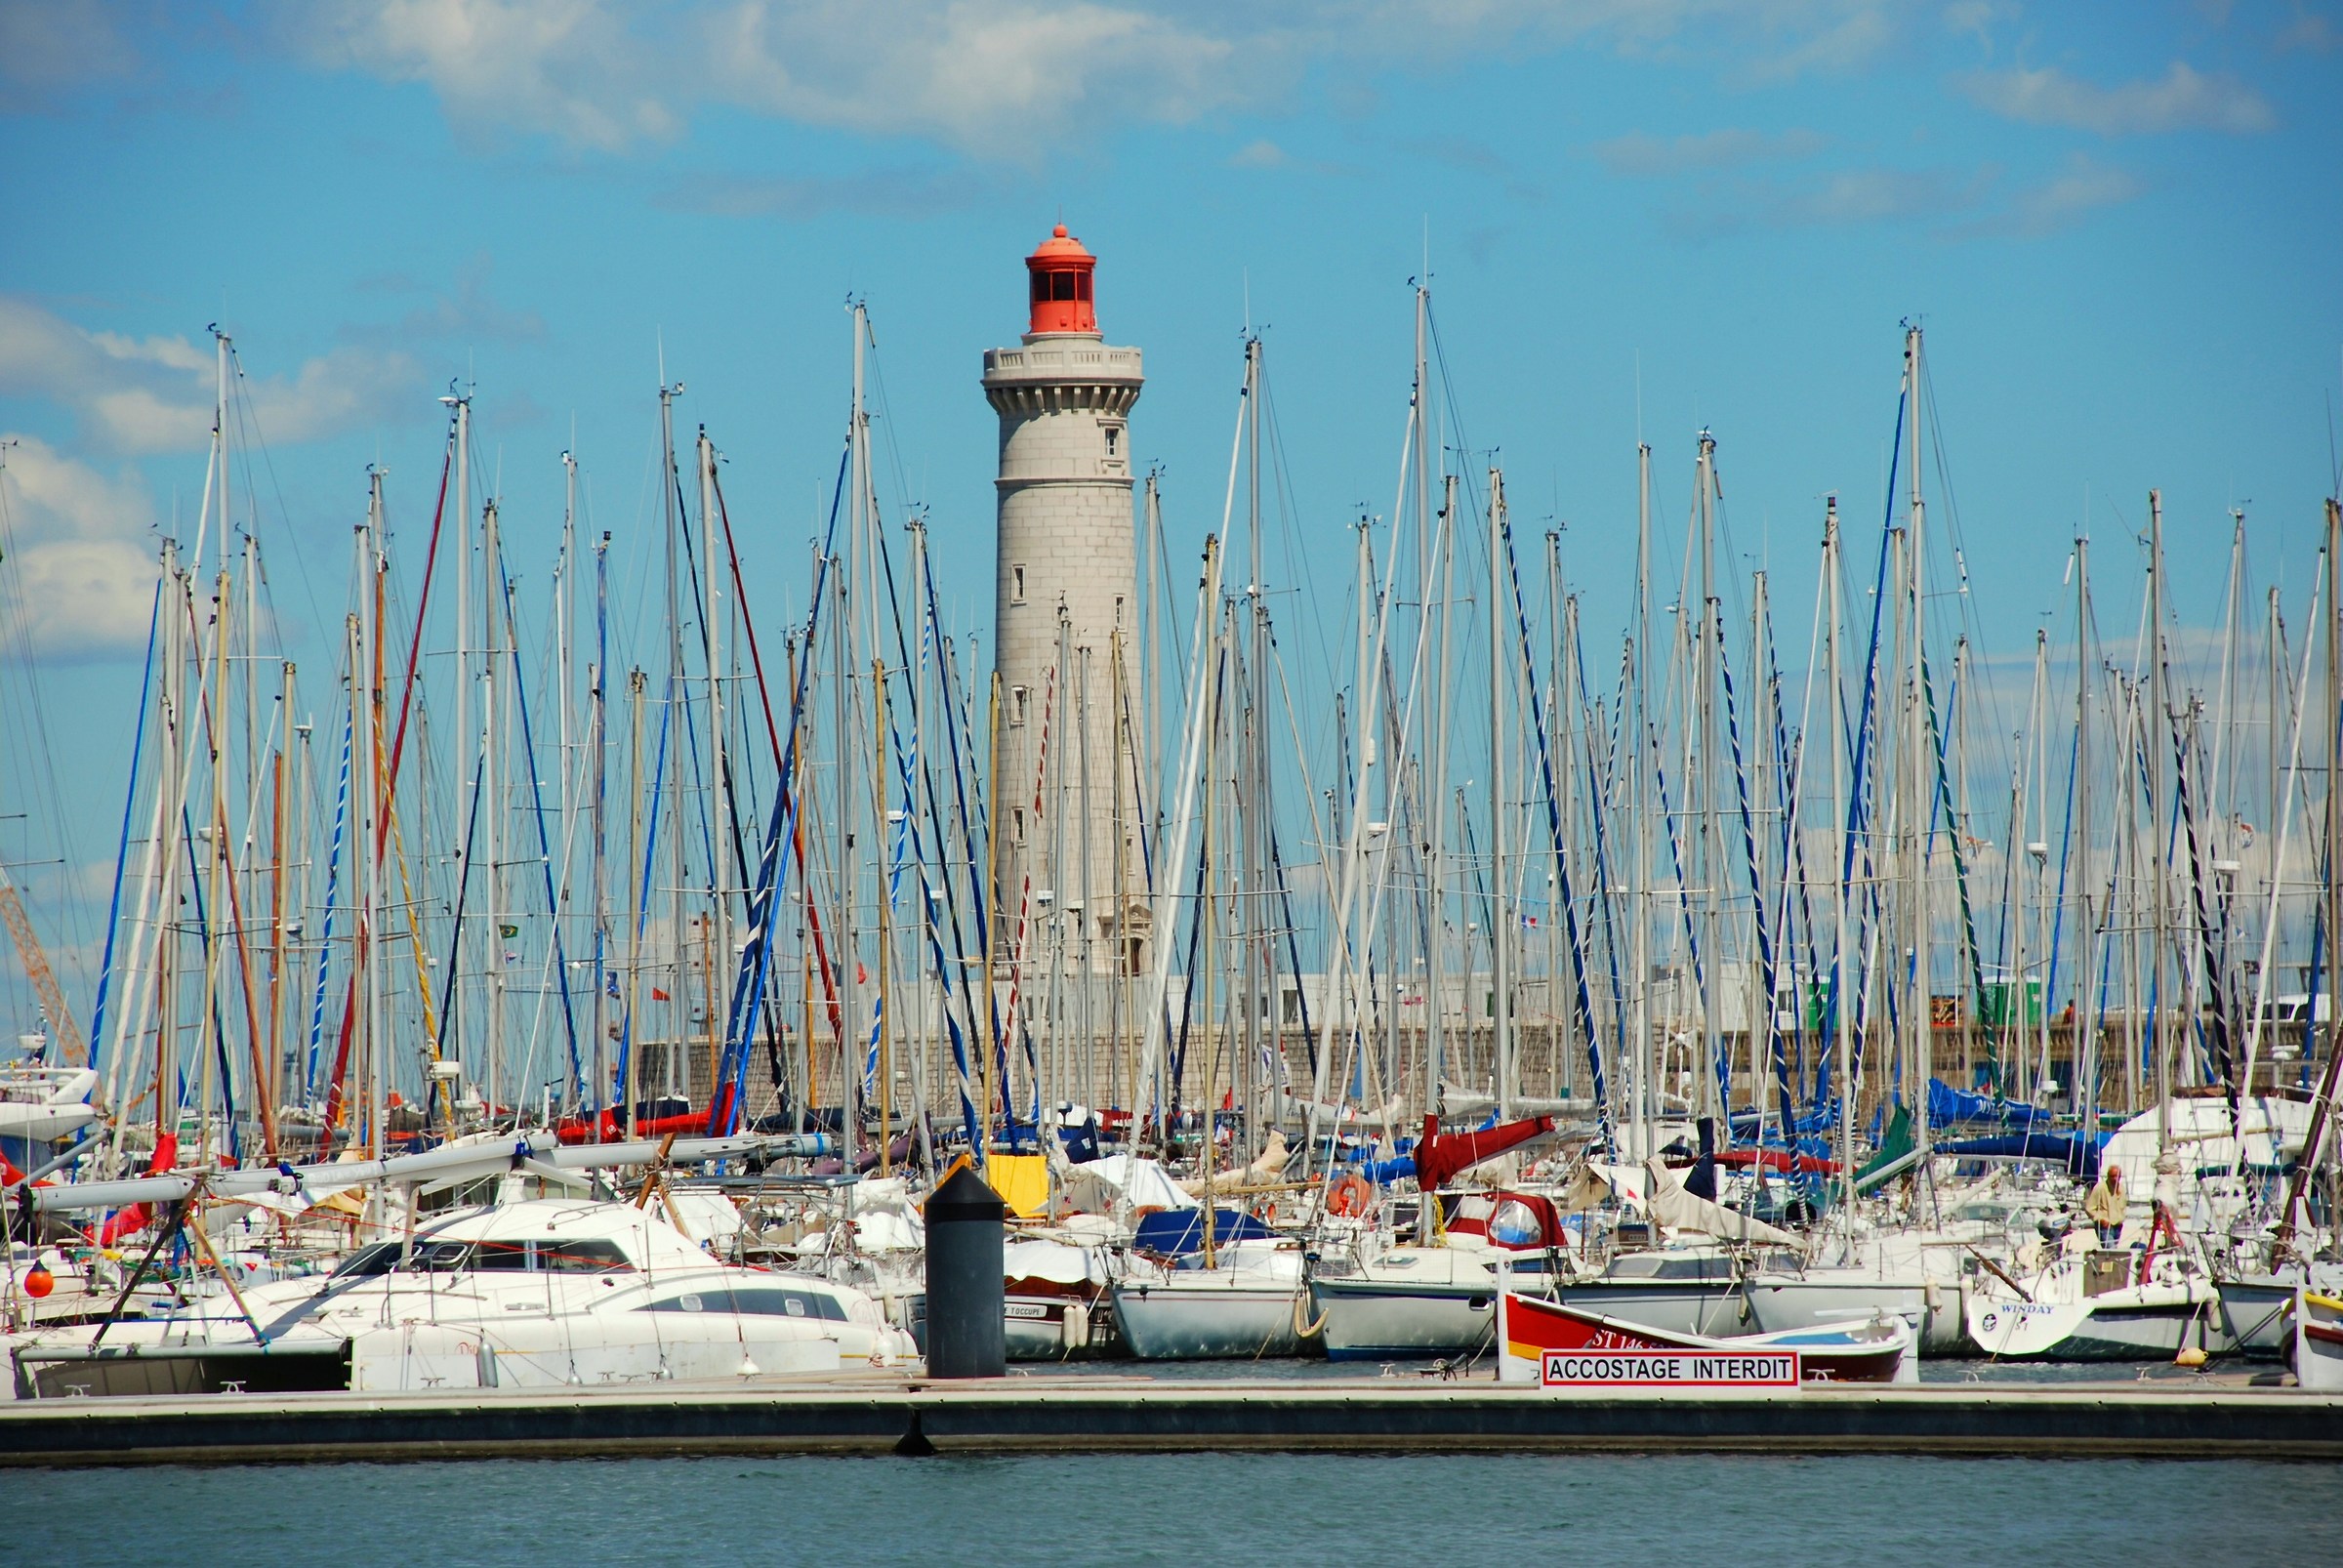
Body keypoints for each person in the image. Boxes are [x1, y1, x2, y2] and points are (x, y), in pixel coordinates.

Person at [2083, 1163, 2126, 1246]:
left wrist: (2122, 1218)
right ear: (2108, 1176)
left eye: (2116, 1176)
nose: (2114, 1179)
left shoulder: (2122, 1188)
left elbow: (2123, 1206)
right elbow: (2089, 1208)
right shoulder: (2100, 1188)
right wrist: (2100, 1219)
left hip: (2118, 1226)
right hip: (2105, 1227)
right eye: (2112, 1176)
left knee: (2113, 1253)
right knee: (2111, 1250)